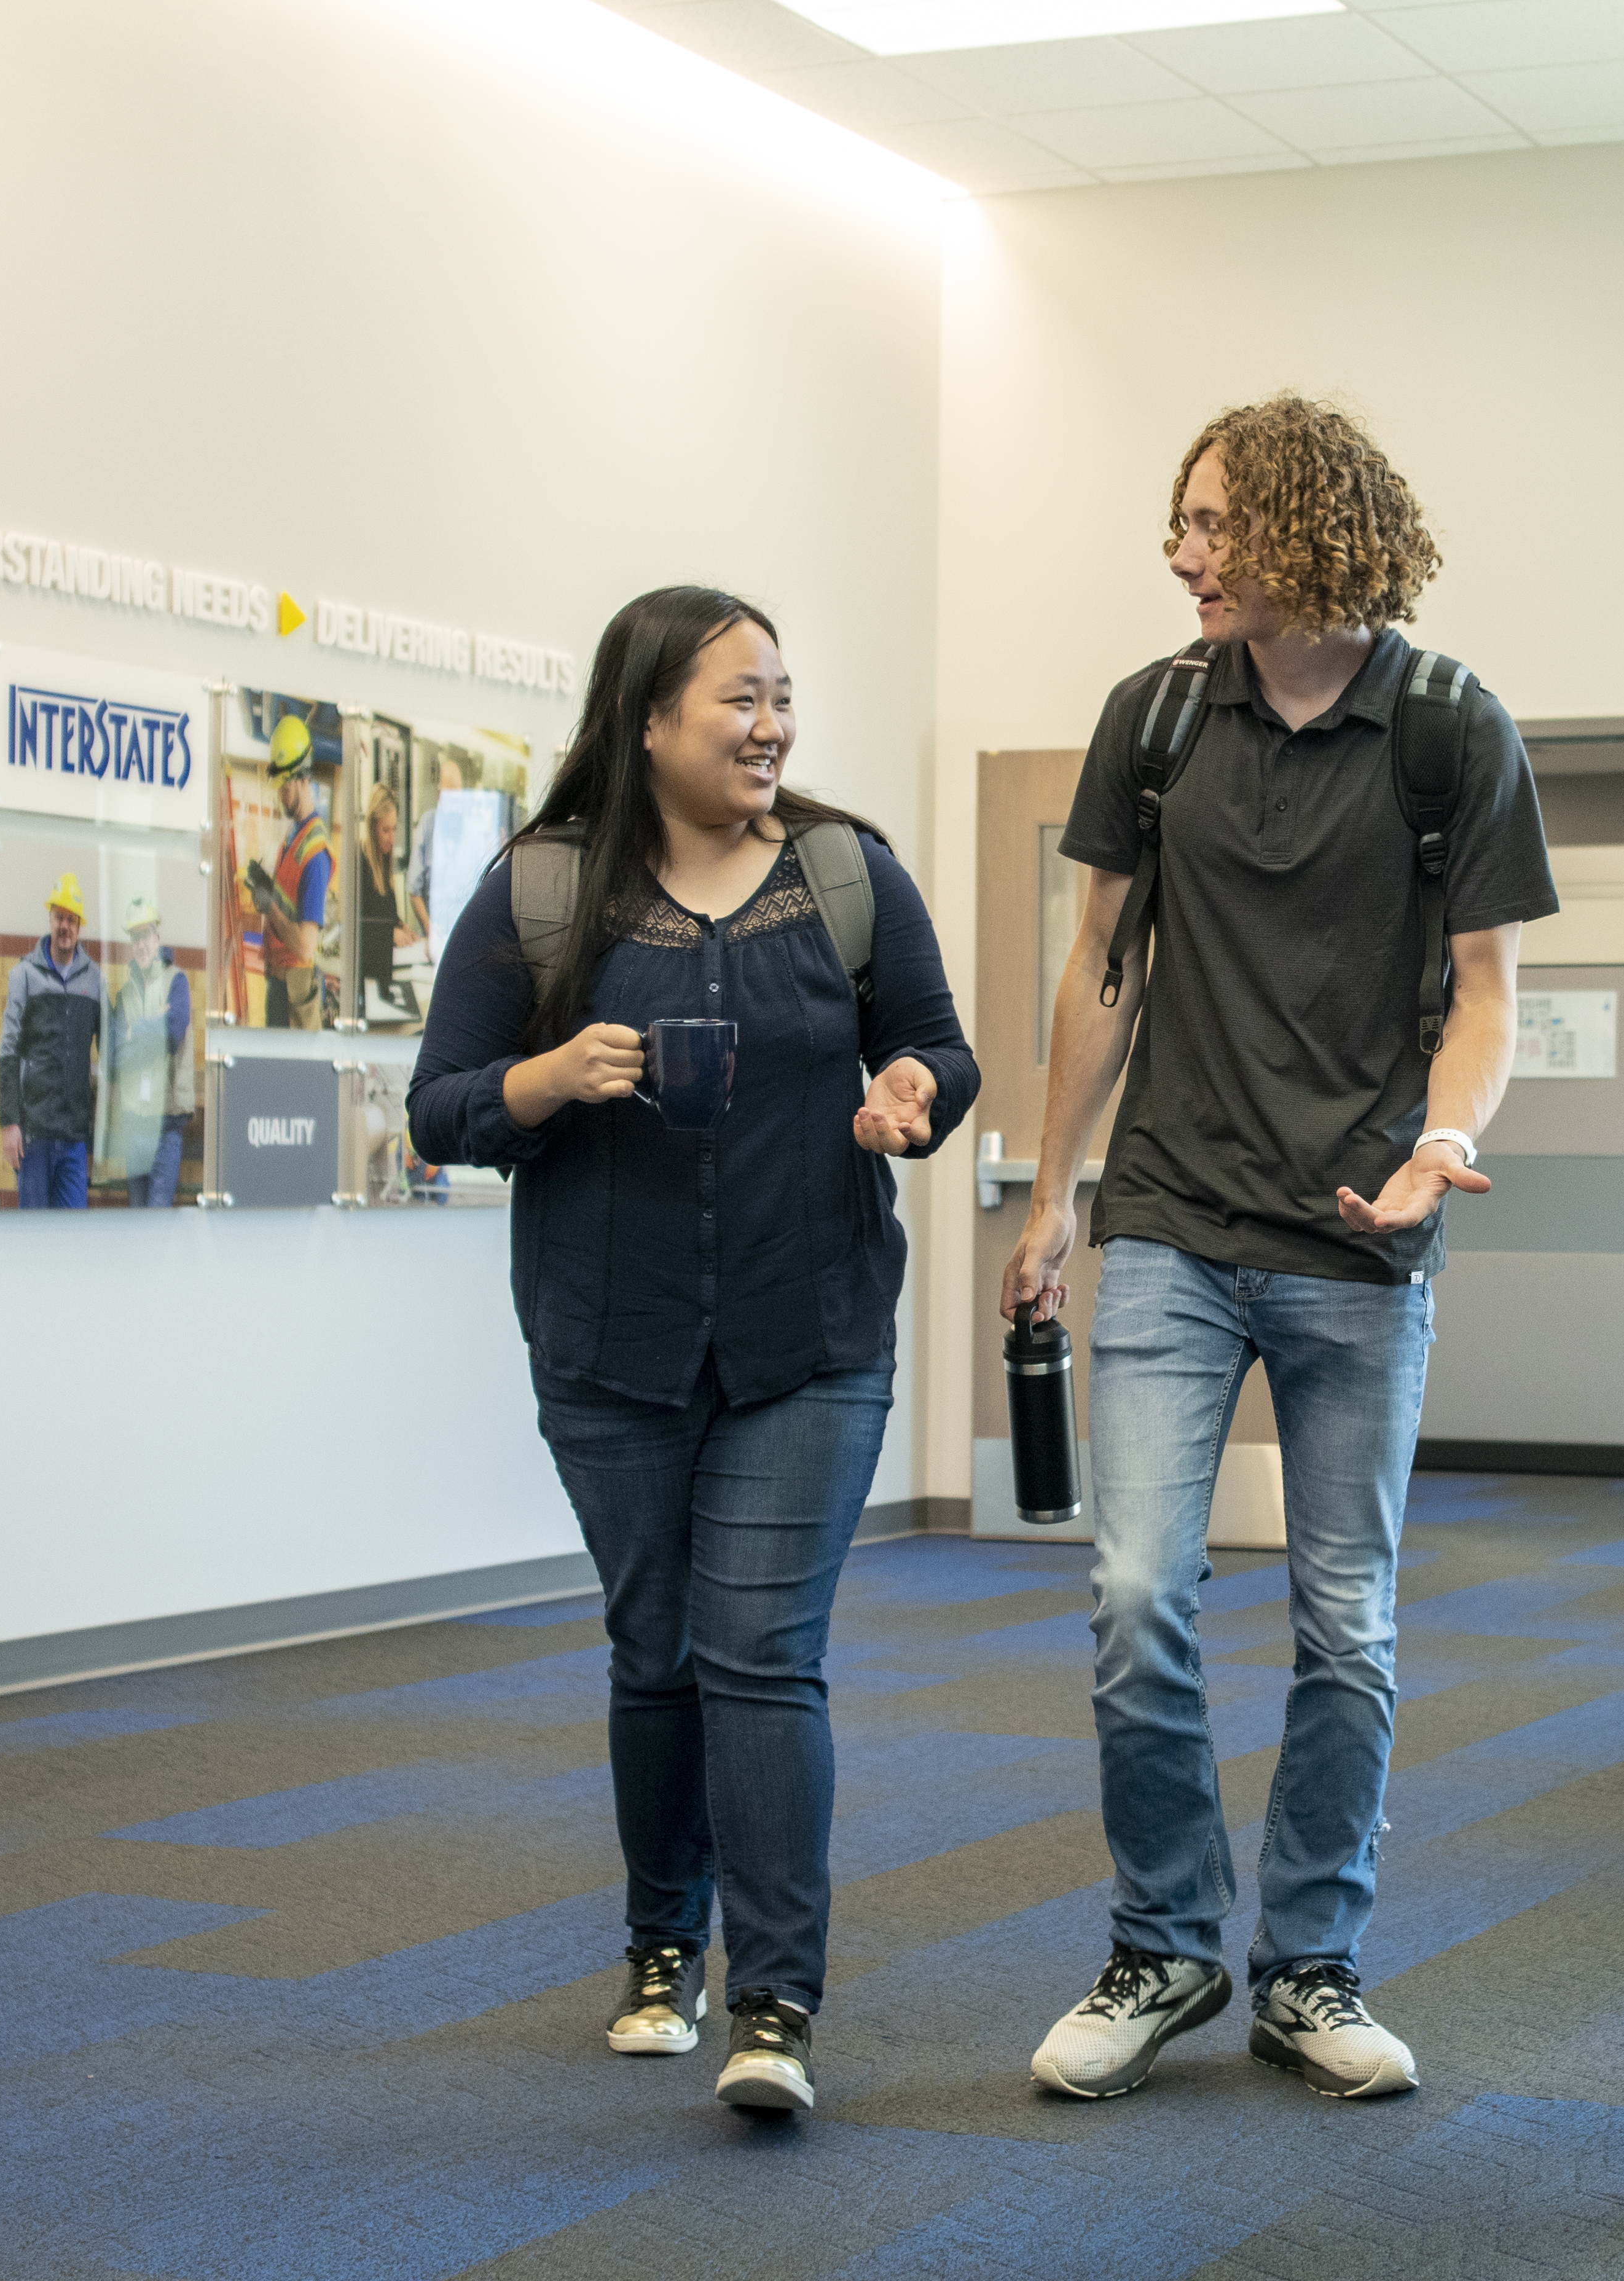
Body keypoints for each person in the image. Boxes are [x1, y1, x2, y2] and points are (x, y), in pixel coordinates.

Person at [1003, 394, 1556, 2104]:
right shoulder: (1156, 717)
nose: (1184, 555)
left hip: (1359, 1237)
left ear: (1316, 528)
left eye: (1217, 525)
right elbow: (1103, 967)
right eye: (1181, 524)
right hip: (1170, 1214)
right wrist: (1050, 1198)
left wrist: (1444, 1141)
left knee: (1348, 1623)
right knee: (1136, 1591)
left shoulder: (1453, 728)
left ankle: (1309, 1964)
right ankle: (1166, 1944)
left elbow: (1485, 998)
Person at [408, 586, 977, 2118]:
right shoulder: (542, 890)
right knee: (654, 1651)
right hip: (610, 1343)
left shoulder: (847, 874)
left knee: (761, 1654)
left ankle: (777, 2002)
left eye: (783, 695)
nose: (771, 724)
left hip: (814, 1331)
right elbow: (439, 1106)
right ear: (647, 718)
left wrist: (911, 1089)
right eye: (739, 698)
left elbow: (941, 1043)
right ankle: (665, 1945)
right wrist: (544, 1077)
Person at [0, 871, 103, 1210]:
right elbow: (8, 1052)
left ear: (79, 926)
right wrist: (9, 1123)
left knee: (74, 1238)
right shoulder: (23, 975)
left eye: (72, 920)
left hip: (74, 1136)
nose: (65, 927)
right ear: (50, 919)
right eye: (60, 917)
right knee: (33, 1239)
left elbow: (109, 1054)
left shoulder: (95, 980)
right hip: (33, 1134)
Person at [105, 893, 194, 1206]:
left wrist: (135, 1032)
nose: (141, 944)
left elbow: (172, 1032)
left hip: (166, 1125)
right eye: (135, 937)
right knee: (137, 1221)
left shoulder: (177, 982)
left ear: (158, 937)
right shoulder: (125, 994)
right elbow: (115, 1058)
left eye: (146, 935)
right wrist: (151, 1029)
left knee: (157, 1221)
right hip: (135, 1125)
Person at [248, 713, 333, 1028]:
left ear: (303, 779)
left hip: (294, 994)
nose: (280, 794)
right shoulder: (294, 834)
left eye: (285, 786)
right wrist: (266, 885)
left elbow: (305, 945)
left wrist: (267, 906)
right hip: (280, 985)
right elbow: (290, 903)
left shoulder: (316, 854)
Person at [358, 783, 420, 1021]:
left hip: (387, 970)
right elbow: (360, 924)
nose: (392, 838)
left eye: (395, 830)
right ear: (373, 827)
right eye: (386, 830)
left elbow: (386, 913)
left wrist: (402, 926)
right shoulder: (361, 863)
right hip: (368, 978)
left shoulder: (385, 863)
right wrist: (390, 934)